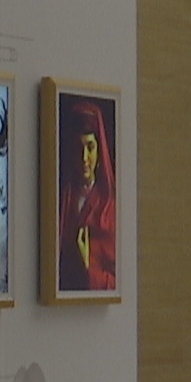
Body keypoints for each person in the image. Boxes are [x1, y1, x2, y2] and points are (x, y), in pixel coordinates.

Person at [57, 99, 116, 291]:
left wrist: (87, 267)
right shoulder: (63, 202)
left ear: (99, 151)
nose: (84, 158)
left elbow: (121, 285)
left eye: (90, 147)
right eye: (78, 147)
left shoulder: (111, 208)